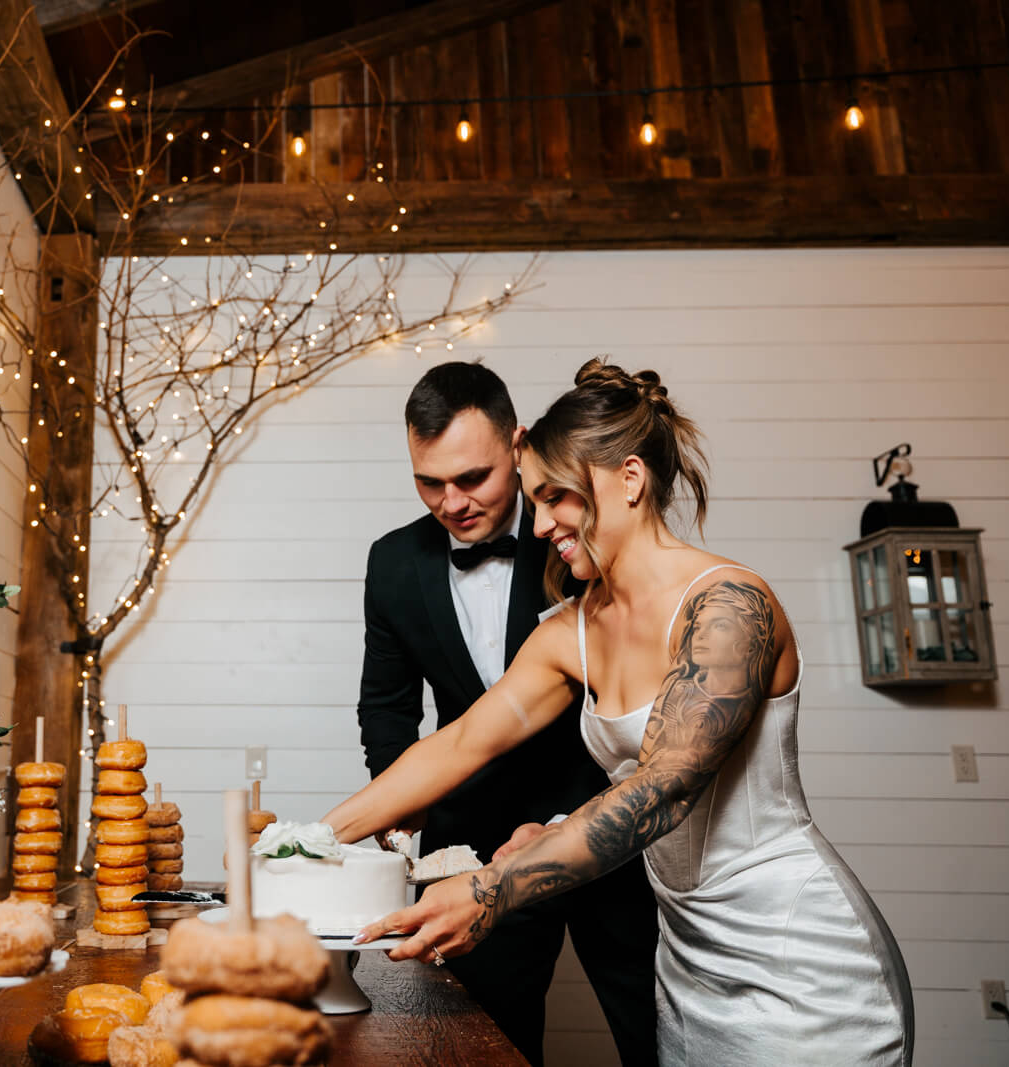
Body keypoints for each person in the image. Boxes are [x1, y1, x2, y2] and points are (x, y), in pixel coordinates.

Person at [328, 358, 914, 1066]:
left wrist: (492, 888)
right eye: (535, 500)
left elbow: (663, 787)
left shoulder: (731, 605)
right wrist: (304, 841)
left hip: (795, 956)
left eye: (557, 497)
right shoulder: (570, 630)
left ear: (629, 479)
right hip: (687, 963)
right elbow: (457, 744)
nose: (540, 523)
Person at [356, 362, 659, 1066]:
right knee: (481, 1044)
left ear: (518, 446)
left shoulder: (582, 535)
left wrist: (563, 822)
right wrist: (400, 804)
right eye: (429, 482)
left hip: (603, 820)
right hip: (472, 840)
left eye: (472, 478)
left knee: (651, 1026)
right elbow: (388, 706)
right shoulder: (393, 562)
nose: (451, 501)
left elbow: (640, 709)